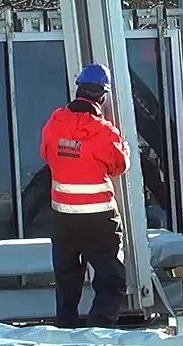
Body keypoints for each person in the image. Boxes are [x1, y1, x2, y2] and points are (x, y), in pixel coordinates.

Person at [40, 63, 131, 328]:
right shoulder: (104, 132)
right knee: (112, 283)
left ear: (78, 88)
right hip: (99, 220)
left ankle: (65, 333)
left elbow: (47, 154)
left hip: (63, 218)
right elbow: (120, 165)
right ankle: (97, 335)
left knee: (67, 284)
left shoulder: (55, 122)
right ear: (103, 97)